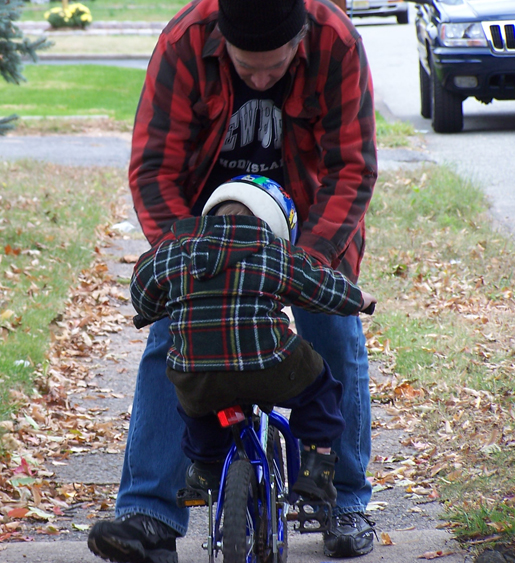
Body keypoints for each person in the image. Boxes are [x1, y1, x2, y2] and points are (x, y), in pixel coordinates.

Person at [88, 0, 378, 558]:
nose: (263, 79)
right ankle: (148, 513)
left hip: (311, 220)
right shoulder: (186, 42)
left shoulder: (334, 40)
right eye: (249, 69)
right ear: (224, 40)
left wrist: (309, 262)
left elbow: (352, 165)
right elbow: (154, 168)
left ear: (300, 39)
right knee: (172, 336)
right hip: (207, 219)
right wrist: (183, 261)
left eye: (277, 67)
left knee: (333, 330)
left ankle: (343, 501)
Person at [129, 177, 376, 508]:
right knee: (321, 390)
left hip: (198, 374)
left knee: (195, 401)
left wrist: (154, 308)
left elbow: (141, 288)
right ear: (274, 224)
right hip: (268, 365)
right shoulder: (275, 254)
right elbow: (319, 286)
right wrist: (359, 300)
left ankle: (204, 466)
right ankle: (317, 468)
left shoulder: (174, 252)